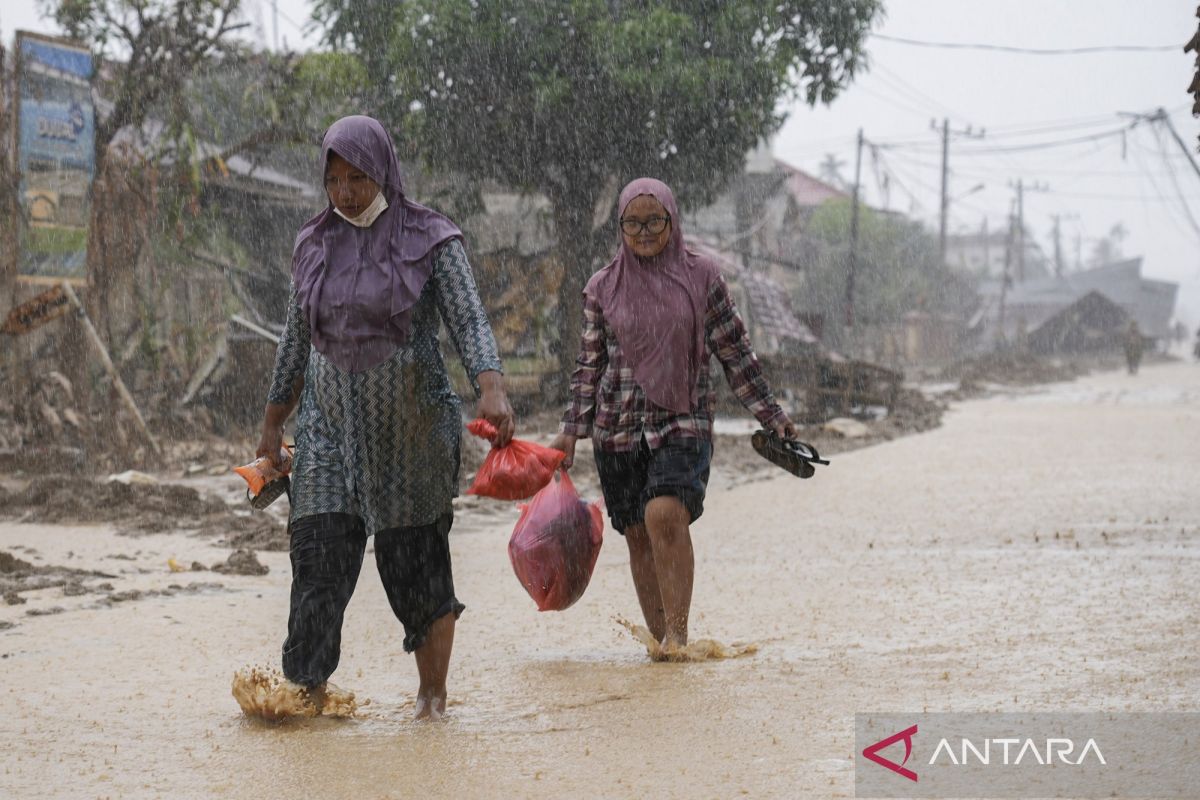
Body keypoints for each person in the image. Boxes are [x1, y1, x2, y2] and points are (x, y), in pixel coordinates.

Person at [256, 115, 514, 720]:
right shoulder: (313, 243)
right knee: (317, 564)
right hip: (326, 434)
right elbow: (294, 340)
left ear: (384, 171)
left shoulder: (431, 238)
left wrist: (492, 387)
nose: (345, 192)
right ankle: (304, 697)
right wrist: (273, 424)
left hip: (413, 431)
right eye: (335, 179)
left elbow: (470, 320)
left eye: (358, 177)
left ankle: (431, 700)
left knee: (414, 566)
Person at [549, 177, 796, 655]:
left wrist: (771, 414)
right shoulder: (602, 287)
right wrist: (570, 431)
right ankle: (663, 646)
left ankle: (679, 634)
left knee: (663, 513)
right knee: (638, 533)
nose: (644, 232)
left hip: (682, 421)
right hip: (616, 429)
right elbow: (589, 364)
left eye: (654, 221)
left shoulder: (704, 279)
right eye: (632, 223)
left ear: (672, 220)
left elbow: (735, 353)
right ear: (620, 225)